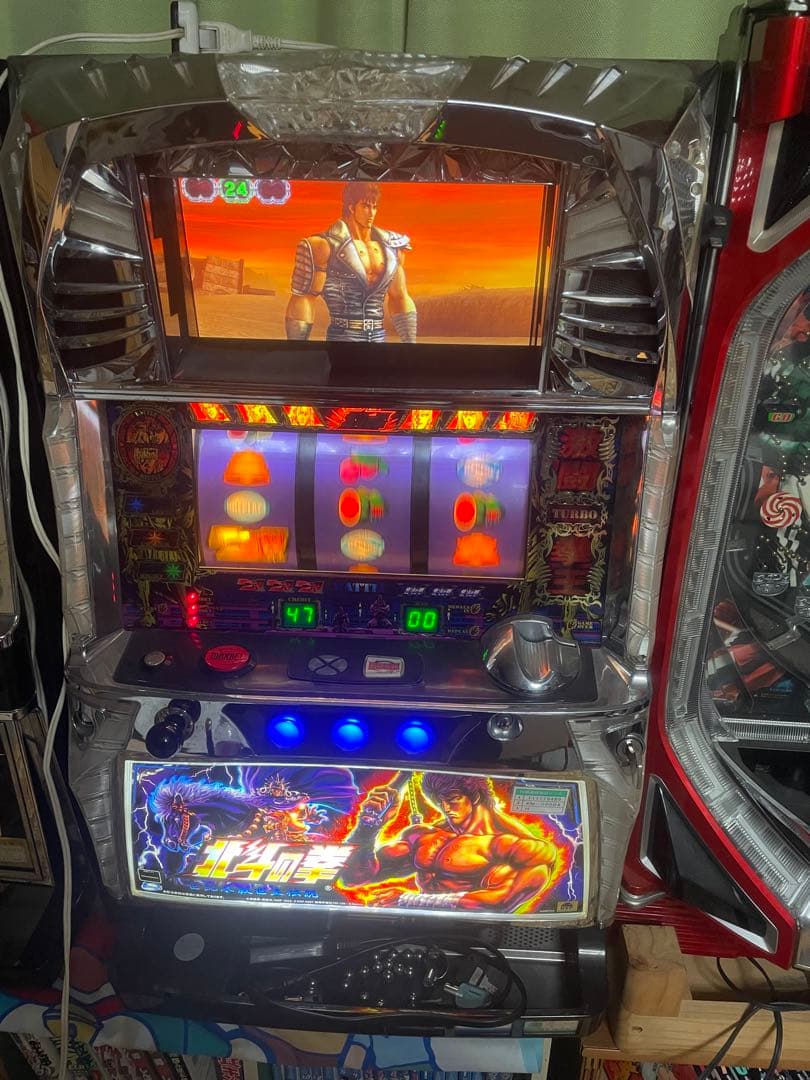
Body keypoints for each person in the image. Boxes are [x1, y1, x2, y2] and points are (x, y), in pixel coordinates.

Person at [339, 773, 561, 912]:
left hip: (473, 941)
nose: (445, 808)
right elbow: (353, 877)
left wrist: (407, 900)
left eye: (453, 799)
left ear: (474, 796)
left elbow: (497, 903)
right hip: (408, 933)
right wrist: (368, 827)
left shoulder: (520, 848)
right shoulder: (425, 835)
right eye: (439, 801)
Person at [285, 181, 417, 343]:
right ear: (351, 207)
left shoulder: (392, 247)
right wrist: (297, 349)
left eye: (374, 207)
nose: (371, 213)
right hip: (342, 337)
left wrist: (410, 345)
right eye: (365, 206)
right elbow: (304, 298)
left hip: (378, 337)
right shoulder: (323, 246)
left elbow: (400, 297)